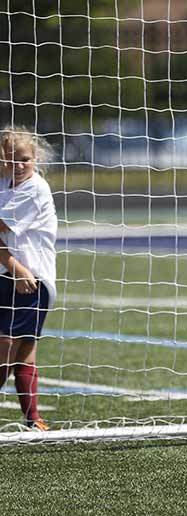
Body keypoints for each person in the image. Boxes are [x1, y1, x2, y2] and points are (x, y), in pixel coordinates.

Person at [0, 126, 57, 431]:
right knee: (19, 348)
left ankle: (33, 418)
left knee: (12, 347)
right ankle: (33, 419)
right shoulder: (5, 184)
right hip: (10, 276)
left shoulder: (35, 188)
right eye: (10, 160)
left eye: (24, 159)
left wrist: (18, 268)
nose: (18, 165)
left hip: (32, 279)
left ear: (35, 158)